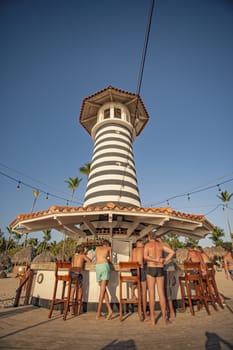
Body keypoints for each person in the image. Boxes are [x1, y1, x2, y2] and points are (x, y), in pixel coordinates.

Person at [144, 232, 175, 326]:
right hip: (160, 268)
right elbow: (172, 252)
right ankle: (164, 320)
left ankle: (153, 320)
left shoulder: (147, 245)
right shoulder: (160, 245)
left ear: (149, 237)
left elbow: (145, 257)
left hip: (151, 268)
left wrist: (155, 260)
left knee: (151, 294)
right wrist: (164, 260)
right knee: (161, 293)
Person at [129, 239, 148, 320]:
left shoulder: (133, 250)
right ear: (139, 244)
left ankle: (132, 293)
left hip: (133, 271)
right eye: (142, 243)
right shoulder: (143, 249)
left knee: (137, 285)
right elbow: (145, 260)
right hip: (140, 270)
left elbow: (129, 261)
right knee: (143, 292)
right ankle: (143, 313)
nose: (144, 244)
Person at [70, 244, 91, 315]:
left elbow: (73, 264)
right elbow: (90, 261)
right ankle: (78, 310)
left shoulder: (74, 256)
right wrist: (85, 256)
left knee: (72, 292)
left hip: (72, 274)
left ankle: (71, 310)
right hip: (78, 275)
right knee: (80, 291)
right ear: (82, 251)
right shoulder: (83, 256)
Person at [95, 239, 113, 320]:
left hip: (98, 267)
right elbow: (111, 261)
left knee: (102, 290)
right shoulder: (109, 248)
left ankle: (99, 313)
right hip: (105, 266)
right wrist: (108, 259)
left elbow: (97, 257)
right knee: (103, 290)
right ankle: (107, 311)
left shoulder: (97, 248)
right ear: (108, 245)